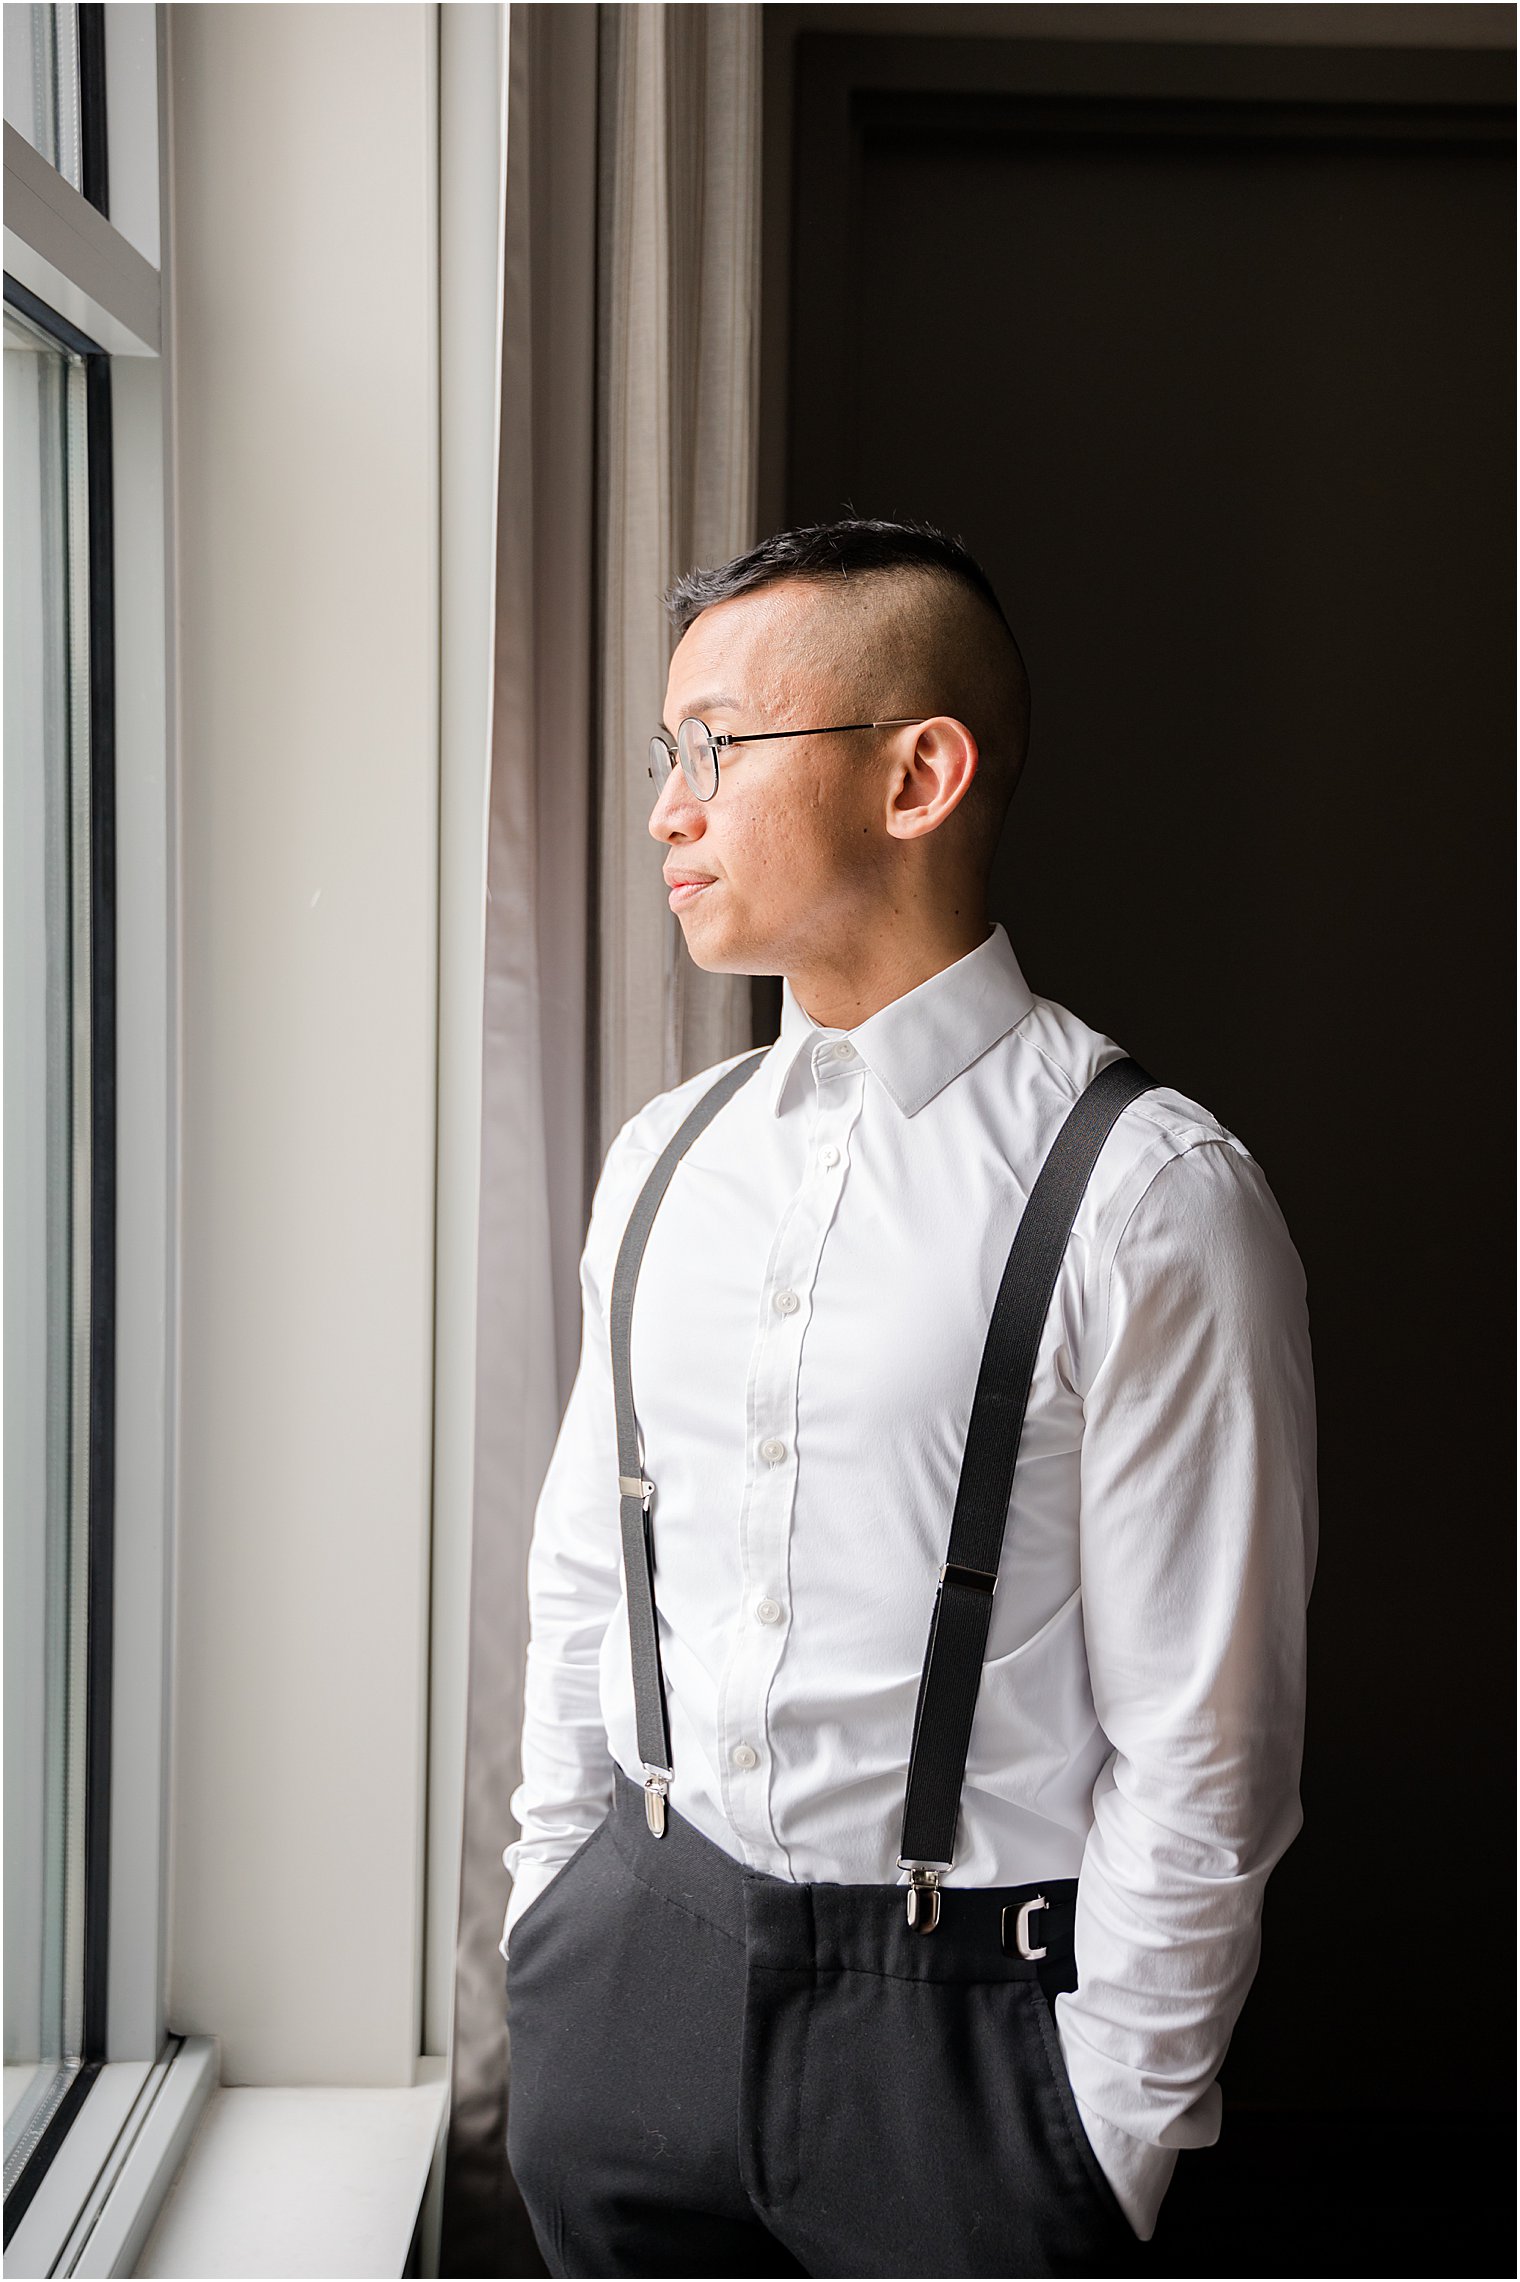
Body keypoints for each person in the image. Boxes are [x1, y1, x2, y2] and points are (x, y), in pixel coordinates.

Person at [499, 518, 1317, 2280]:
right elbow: (587, 1588)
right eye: (667, 754)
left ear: (917, 774)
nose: (668, 806)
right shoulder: (663, 1161)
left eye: (714, 746)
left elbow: (1210, 1750)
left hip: (966, 2048)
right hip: (631, 1978)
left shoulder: (1151, 1197)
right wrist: (553, 1926)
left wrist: (1105, 2134)